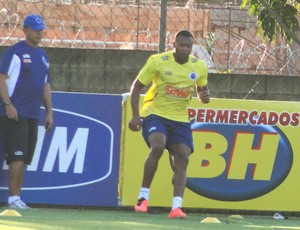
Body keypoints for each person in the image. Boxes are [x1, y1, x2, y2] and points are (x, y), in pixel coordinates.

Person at [128, 30, 210, 219]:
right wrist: (135, 115)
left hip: (180, 119)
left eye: (188, 46)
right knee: (158, 145)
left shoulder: (199, 66)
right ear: (174, 45)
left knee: (183, 156)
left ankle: (176, 208)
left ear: (192, 47)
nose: (185, 49)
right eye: (181, 45)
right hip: (155, 113)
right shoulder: (158, 61)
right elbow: (137, 86)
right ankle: (143, 197)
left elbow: (202, 90)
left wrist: (204, 96)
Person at [0, 14, 53, 209]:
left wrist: (49, 112)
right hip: (16, 112)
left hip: (33, 113)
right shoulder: (15, 52)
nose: (40, 33)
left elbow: (45, 85)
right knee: (17, 155)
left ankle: (17, 198)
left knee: (25, 158)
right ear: (25, 30)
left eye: (42, 29)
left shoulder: (43, 55)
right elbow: (2, 78)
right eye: (36, 29)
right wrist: (7, 103)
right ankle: (13, 198)